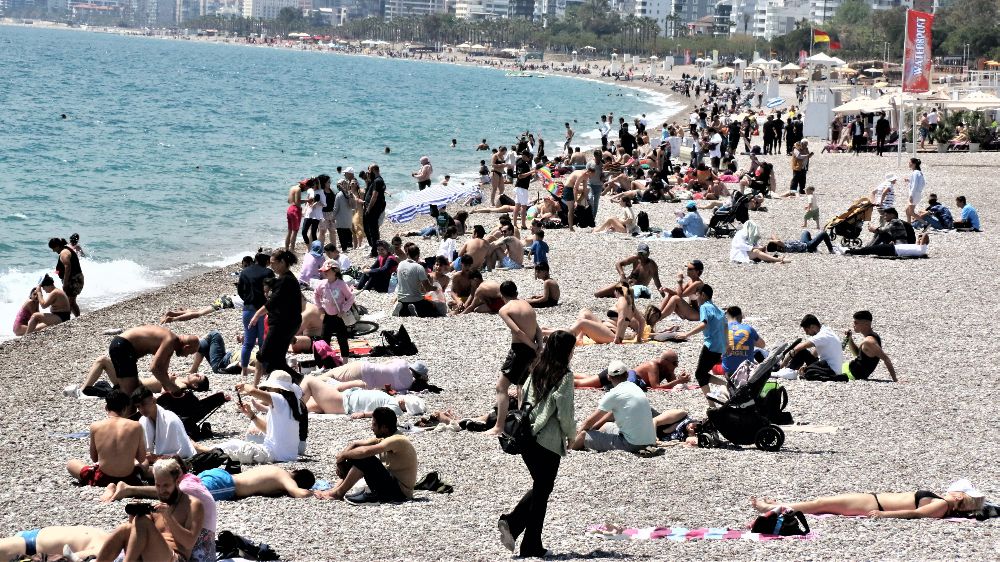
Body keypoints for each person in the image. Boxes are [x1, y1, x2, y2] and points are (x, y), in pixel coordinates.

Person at [497, 330, 576, 558]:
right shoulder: (564, 375)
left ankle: (523, 535)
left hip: (526, 436)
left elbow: (523, 399)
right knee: (543, 489)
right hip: (547, 440)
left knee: (542, 487)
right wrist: (572, 435)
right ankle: (517, 529)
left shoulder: (536, 368)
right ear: (566, 351)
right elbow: (565, 413)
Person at [95, 458, 207, 562]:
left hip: (175, 557)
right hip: (149, 555)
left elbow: (189, 543)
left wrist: (169, 517)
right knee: (125, 528)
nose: (161, 490)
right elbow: (138, 535)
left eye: (166, 485)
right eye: (158, 486)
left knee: (142, 521)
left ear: (177, 482)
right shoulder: (158, 505)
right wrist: (133, 517)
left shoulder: (193, 505)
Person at [314, 407, 417, 505]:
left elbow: (364, 452)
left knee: (365, 458)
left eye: (375, 425)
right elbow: (355, 445)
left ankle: (338, 493)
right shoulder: (385, 437)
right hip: (390, 486)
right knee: (354, 454)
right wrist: (341, 459)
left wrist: (342, 456)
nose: (372, 428)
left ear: (384, 427)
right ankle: (334, 490)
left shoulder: (398, 440)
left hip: (400, 494)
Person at [750, 479, 986, 519]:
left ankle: (773, 508)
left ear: (958, 495)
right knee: (822, 504)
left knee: (821, 504)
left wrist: (885, 514)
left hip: (873, 504)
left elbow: (916, 514)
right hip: (873, 500)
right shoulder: (943, 504)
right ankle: (776, 505)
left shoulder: (942, 505)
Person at [486, 281, 541, 436]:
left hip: (520, 350)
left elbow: (517, 331)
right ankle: (522, 426)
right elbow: (538, 328)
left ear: (502, 295)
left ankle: (499, 426)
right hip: (532, 349)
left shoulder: (505, 309)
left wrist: (532, 346)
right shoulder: (527, 305)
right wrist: (539, 346)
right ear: (516, 292)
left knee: (501, 387)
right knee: (521, 387)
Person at [212, 374, 304, 464]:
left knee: (233, 445)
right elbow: (269, 431)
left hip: (273, 454)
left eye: (269, 388)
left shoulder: (280, 399)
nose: (267, 390)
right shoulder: (293, 403)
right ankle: (203, 451)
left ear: (279, 389)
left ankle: (202, 451)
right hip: (286, 455)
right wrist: (252, 415)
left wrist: (244, 385)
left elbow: (252, 390)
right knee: (234, 446)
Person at [571, 360, 656, 453]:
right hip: (649, 441)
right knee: (606, 426)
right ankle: (595, 442)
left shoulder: (614, 394)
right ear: (627, 375)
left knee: (583, 435)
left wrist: (578, 433)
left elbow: (590, 421)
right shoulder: (636, 388)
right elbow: (609, 415)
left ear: (608, 377)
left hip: (632, 444)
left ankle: (569, 449)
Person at [107, 465, 315, 503]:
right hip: (227, 485)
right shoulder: (284, 476)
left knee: (181, 486)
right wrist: (314, 493)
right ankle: (130, 488)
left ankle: (131, 486)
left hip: (221, 475)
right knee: (178, 494)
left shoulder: (276, 469)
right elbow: (298, 493)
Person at [67, 390, 147, 487]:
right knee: (145, 463)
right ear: (125, 408)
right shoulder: (136, 426)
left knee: (71, 464)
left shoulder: (95, 426)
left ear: (106, 407)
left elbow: (94, 458)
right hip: (128, 479)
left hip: (103, 479)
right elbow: (142, 458)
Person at [249, 250, 302, 386]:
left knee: (263, 356)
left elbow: (272, 303)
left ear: (283, 262)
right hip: (288, 323)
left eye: (273, 263)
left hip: (282, 325)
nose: (271, 266)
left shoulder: (286, 280)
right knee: (277, 360)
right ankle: (295, 381)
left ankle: (256, 387)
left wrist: (256, 315)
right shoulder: (286, 278)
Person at [105, 325, 200, 397]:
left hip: (123, 347)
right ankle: (126, 419)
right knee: (132, 392)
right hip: (123, 346)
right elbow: (154, 368)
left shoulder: (172, 345)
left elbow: (163, 372)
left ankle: (124, 414)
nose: (186, 356)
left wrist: (168, 391)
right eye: (190, 353)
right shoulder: (171, 340)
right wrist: (174, 388)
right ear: (186, 347)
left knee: (129, 390)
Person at [669, 284, 728, 396]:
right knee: (702, 374)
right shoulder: (719, 310)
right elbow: (726, 327)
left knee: (699, 374)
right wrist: (727, 345)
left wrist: (687, 334)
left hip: (710, 346)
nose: (697, 300)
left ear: (703, 295)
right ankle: (716, 397)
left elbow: (703, 324)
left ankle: (725, 387)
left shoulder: (704, 307)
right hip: (720, 348)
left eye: (697, 296)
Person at [559, 284, 645, 345]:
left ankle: (564, 339)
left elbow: (621, 319)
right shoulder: (631, 305)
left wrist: (617, 338)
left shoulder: (622, 300)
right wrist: (639, 338)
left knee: (582, 322)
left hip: (611, 333)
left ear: (617, 291)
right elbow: (642, 321)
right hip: (606, 329)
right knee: (585, 312)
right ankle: (579, 337)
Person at [133, 386, 196, 462]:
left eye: (144, 404)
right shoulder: (142, 421)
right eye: (138, 406)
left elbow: (183, 453)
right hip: (158, 460)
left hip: (182, 462)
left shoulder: (170, 419)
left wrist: (156, 457)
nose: (141, 409)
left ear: (154, 401)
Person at [574, 350, 690, 390]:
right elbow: (656, 387)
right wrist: (679, 382)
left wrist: (680, 380)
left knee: (589, 378)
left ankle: (567, 374)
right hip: (613, 377)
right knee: (579, 384)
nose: (676, 366)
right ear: (665, 362)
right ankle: (559, 379)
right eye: (675, 363)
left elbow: (673, 385)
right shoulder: (653, 366)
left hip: (617, 375)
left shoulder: (667, 368)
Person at [238, 252, 274, 377]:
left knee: (248, 343)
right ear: (267, 261)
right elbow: (273, 290)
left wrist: (247, 299)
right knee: (263, 342)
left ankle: (244, 370)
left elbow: (240, 291)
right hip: (263, 310)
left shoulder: (245, 271)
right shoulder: (268, 272)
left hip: (248, 309)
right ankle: (263, 370)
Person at [780, 314, 844, 380]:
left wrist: (785, 361)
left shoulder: (822, 335)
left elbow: (801, 346)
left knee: (801, 351)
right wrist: (807, 365)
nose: (807, 334)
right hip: (830, 368)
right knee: (803, 353)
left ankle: (787, 370)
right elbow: (816, 351)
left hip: (830, 370)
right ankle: (790, 369)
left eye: (807, 330)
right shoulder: (827, 330)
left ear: (812, 327)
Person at [311, 359, 428, 393]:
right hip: (367, 386)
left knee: (328, 375)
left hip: (364, 368)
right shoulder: (406, 386)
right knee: (330, 386)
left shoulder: (402, 363)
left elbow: (383, 364)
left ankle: (304, 382)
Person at [843, 310, 898, 382]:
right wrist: (850, 339)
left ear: (866, 324)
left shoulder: (869, 342)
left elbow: (886, 359)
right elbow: (856, 354)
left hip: (851, 374)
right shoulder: (871, 337)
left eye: (856, 323)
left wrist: (895, 380)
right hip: (851, 368)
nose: (853, 325)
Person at [594, 243, 662, 299]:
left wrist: (664, 296)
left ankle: (617, 295)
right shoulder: (635, 259)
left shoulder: (651, 265)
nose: (641, 256)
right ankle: (616, 295)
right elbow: (618, 264)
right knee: (599, 292)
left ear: (648, 254)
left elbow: (657, 283)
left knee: (599, 294)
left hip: (635, 289)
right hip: (626, 284)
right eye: (640, 253)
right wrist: (622, 275)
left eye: (644, 254)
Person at [0, 526, 108, 561]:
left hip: (36, 537)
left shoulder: (108, 535)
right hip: (29, 548)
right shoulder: (106, 549)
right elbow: (67, 559)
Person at [393, 244, 439, 317]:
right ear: (417, 255)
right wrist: (436, 288)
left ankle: (401, 309)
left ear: (407, 253)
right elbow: (427, 288)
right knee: (434, 309)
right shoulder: (419, 267)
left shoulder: (400, 264)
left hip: (401, 299)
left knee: (405, 307)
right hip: (416, 300)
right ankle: (414, 311)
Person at [721, 306, 764, 375]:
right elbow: (762, 345)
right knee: (757, 351)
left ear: (727, 317)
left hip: (728, 370)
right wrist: (748, 340)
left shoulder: (722, 329)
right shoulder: (748, 328)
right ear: (740, 316)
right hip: (747, 369)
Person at [48, 236, 84, 317]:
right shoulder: (66, 250)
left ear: (57, 246)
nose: (53, 251)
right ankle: (78, 317)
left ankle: (66, 320)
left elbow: (68, 267)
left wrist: (65, 283)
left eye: (53, 248)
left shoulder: (64, 253)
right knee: (72, 302)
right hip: (77, 278)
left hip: (73, 280)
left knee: (68, 303)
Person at [362, 164, 387, 257]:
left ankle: (375, 251)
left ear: (374, 171)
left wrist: (368, 209)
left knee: (373, 230)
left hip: (373, 209)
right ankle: (374, 247)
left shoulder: (378, 180)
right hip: (370, 208)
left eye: (369, 171)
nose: (368, 173)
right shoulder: (374, 181)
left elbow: (374, 195)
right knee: (368, 229)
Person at [764, 230, 835, 254]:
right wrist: (771, 240)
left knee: (805, 232)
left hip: (803, 242)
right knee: (824, 234)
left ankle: (815, 248)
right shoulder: (784, 248)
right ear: (776, 245)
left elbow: (775, 237)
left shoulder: (780, 246)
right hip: (808, 247)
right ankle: (831, 250)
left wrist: (772, 239)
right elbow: (778, 240)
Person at [513, 149, 533, 229]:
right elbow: (520, 176)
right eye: (529, 157)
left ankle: (514, 224)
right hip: (522, 187)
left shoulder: (521, 162)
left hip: (520, 187)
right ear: (525, 156)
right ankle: (523, 224)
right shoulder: (522, 163)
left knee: (517, 205)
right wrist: (531, 172)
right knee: (524, 206)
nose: (529, 159)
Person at [904, 158, 925, 223]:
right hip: (917, 194)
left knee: (911, 212)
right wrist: (909, 180)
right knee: (907, 211)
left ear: (914, 164)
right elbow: (921, 183)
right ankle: (908, 225)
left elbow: (915, 185)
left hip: (914, 195)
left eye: (910, 162)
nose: (909, 164)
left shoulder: (915, 173)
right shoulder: (918, 172)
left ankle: (925, 223)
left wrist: (911, 195)